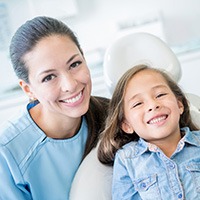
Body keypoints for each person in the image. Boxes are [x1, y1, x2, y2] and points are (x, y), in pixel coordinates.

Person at [0, 16, 109, 200]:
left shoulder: (112, 114)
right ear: (29, 89)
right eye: (49, 77)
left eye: (75, 64)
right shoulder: (8, 155)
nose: (70, 85)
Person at [98, 64, 200, 199]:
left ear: (179, 105)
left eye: (160, 95)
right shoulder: (127, 159)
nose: (153, 105)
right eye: (138, 103)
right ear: (127, 125)